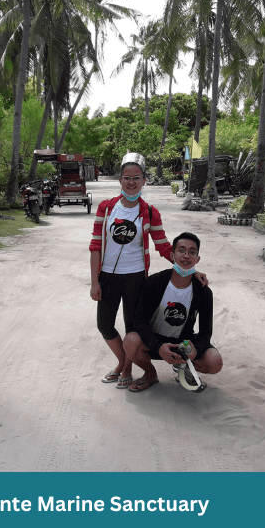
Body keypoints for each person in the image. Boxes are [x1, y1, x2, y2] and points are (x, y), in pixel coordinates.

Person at [89, 153, 206, 389]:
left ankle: (128, 369)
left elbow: (163, 246)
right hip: (108, 276)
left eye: (136, 178)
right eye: (126, 178)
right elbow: (95, 246)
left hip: (135, 277)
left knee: (132, 327)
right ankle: (123, 363)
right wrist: (94, 281)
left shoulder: (150, 212)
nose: (131, 182)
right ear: (119, 180)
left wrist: (190, 270)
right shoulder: (106, 207)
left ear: (144, 181)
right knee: (104, 324)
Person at [122, 232, 223, 392]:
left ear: (197, 259)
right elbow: (139, 321)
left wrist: (194, 349)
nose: (186, 256)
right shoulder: (155, 282)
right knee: (130, 340)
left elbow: (205, 333)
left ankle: (183, 367)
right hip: (155, 343)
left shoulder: (203, 292)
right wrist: (159, 346)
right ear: (172, 255)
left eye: (192, 252)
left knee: (214, 361)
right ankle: (150, 374)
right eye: (181, 250)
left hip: (183, 344)